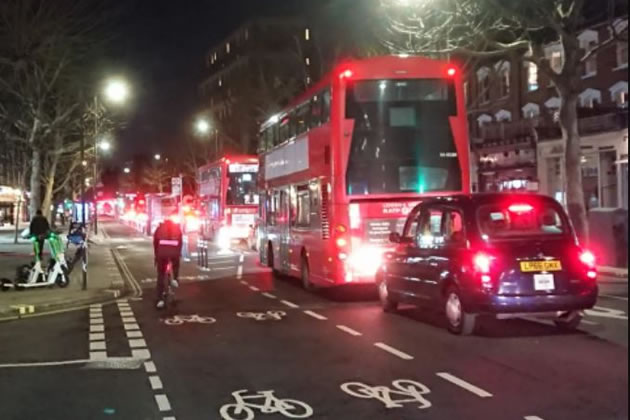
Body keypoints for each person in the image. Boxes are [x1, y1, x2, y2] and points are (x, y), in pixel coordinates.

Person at [153, 214, 183, 309]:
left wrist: (156, 256)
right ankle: (175, 278)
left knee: (161, 275)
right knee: (176, 264)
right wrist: (178, 253)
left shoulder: (159, 228)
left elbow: (155, 242)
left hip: (162, 254)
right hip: (174, 254)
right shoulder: (177, 228)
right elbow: (180, 243)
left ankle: (160, 299)